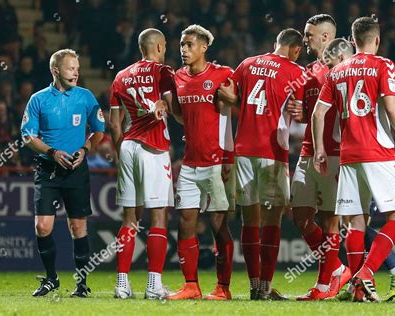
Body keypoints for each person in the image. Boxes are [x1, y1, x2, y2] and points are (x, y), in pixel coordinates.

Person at [312, 16, 395, 302]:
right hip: (378, 151)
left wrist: (320, 149)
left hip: (348, 155)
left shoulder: (336, 71)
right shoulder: (383, 64)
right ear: (376, 40)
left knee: (355, 222)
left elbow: (318, 113)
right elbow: (392, 106)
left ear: (351, 40)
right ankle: (366, 273)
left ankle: (357, 290)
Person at [218, 28, 305, 300]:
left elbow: (226, 93)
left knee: (249, 220)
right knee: (272, 219)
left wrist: (241, 104)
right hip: (273, 151)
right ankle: (265, 287)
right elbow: (301, 119)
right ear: (296, 50)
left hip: (243, 150)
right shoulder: (295, 72)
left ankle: (254, 285)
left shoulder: (247, 63)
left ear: (275, 44)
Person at [21, 48, 105, 298]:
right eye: (71, 68)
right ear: (55, 70)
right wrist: (52, 152)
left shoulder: (86, 97)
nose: (76, 72)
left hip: (77, 171)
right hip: (48, 170)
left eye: (77, 68)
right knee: (42, 227)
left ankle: (81, 284)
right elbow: (28, 137)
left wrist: (85, 148)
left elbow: (98, 130)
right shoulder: (38, 99)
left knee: (78, 227)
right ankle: (51, 279)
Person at [164, 24, 235, 301]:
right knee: (185, 221)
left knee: (218, 225)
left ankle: (223, 288)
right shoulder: (179, 77)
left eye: (190, 44)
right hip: (190, 162)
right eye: (182, 44)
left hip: (216, 161)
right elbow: (180, 115)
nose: (184, 49)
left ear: (204, 47)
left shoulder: (222, 74)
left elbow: (238, 103)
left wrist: (229, 157)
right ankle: (191, 285)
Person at [109, 28, 179, 300]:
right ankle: (154, 284)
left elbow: (114, 123)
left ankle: (122, 284)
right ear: (160, 46)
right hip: (153, 147)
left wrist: (121, 152)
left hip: (128, 146)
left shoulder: (120, 76)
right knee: (158, 215)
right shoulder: (163, 72)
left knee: (130, 218)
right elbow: (171, 108)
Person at [286, 15, 351, 301]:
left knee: (329, 221)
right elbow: (306, 112)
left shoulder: (345, 69)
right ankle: (337, 268)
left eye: (309, 34)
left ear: (326, 38)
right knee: (299, 215)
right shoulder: (308, 71)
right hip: (308, 151)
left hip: (334, 155)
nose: (305, 39)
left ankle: (324, 286)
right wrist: (299, 114)